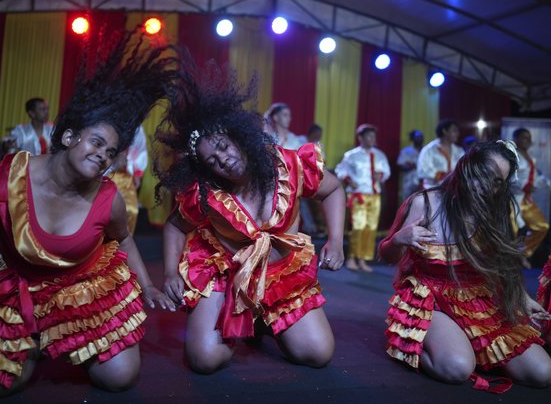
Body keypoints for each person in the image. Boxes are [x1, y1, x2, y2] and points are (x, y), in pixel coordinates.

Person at [0, 29, 176, 396]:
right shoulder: (6, 179)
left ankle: (72, 337)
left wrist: (147, 285)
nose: (102, 155)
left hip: (84, 291)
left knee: (119, 378)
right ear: (68, 137)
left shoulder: (109, 197)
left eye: (110, 152)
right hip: (21, 289)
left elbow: (124, 239)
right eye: (96, 142)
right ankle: (37, 338)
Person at [155, 60, 346, 374]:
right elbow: (175, 226)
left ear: (238, 137)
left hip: (280, 276)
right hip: (226, 276)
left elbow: (334, 189)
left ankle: (263, 321)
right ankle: (232, 315)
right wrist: (170, 273)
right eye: (213, 161)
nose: (224, 161)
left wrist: (336, 241)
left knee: (318, 353)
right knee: (205, 360)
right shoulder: (205, 193)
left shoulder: (289, 165)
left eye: (224, 148)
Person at [379, 140, 551, 393]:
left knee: (543, 373)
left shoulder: (493, 211)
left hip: (479, 300)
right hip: (432, 299)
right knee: (457, 368)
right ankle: (407, 342)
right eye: (485, 174)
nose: (487, 186)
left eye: (497, 182)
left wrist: (521, 299)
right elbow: (387, 255)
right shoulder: (425, 203)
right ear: (467, 166)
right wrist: (398, 239)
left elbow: (500, 267)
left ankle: (469, 349)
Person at [335, 124, 390, 272]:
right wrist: (348, 180)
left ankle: (363, 259)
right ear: (361, 137)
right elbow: (340, 170)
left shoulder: (380, 155)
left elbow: (387, 171)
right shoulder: (351, 155)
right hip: (358, 194)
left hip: (374, 195)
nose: (372, 139)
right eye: (369, 136)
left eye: (373, 136)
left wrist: (381, 176)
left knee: (370, 228)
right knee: (358, 226)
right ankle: (352, 257)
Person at [511, 128, 550, 259]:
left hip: (526, 200)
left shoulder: (531, 159)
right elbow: (509, 178)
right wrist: (524, 186)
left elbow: (536, 178)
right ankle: (512, 258)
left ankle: (523, 253)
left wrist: (547, 184)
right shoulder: (512, 157)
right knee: (515, 230)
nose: (527, 140)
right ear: (515, 139)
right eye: (524, 137)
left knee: (542, 227)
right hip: (513, 200)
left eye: (528, 138)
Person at [109, 126, 148, 234]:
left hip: (125, 176)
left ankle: (122, 245)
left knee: (132, 210)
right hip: (106, 174)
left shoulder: (137, 127)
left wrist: (137, 172)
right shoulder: (109, 119)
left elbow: (140, 150)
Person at [417, 121, 463, 189]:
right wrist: (442, 175)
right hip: (432, 190)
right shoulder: (429, 150)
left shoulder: (459, 151)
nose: (458, 134)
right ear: (444, 131)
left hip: (453, 191)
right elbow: (422, 170)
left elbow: (464, 167)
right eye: (454, 130)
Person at [397, 130, 423, 201]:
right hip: (409, 182)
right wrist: (411, 166)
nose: (419, 139)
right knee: (407, 203)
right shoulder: (406, 151)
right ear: (412, 138)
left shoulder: (426, 150)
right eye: (417, 137)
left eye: (421, 137)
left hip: (423, 182)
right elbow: (400, 166)